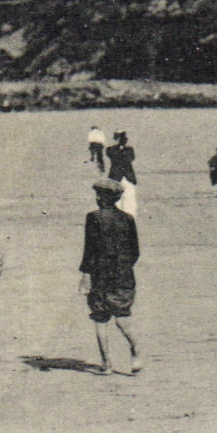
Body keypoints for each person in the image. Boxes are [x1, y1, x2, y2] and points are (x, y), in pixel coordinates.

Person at [79, 178, 142, 376]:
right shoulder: (128, 218)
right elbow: (135, 252)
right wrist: (122, 267)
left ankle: (106, 364)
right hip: (123, 276)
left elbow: (89, 250)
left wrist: (86, 275)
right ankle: (136, 352)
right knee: (123, 317)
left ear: (102, 197)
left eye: (98, 195)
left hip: (100, 276)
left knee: (100, 319)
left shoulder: (93, 217)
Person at [106, 131, 139, 217]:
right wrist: (119, 147)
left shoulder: (129, 150)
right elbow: (113, 155)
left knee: (130, 199)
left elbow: (129, 158)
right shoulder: (110, 149)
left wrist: (122, 147)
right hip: (116, 178)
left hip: (128, 178)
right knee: (116, 200)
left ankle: (130, 219)